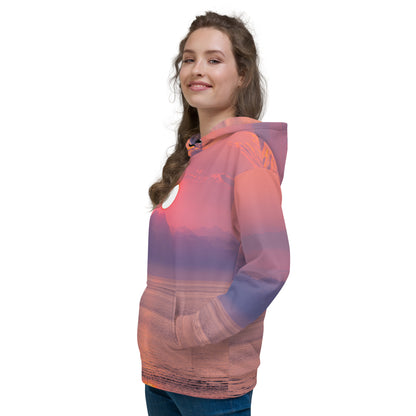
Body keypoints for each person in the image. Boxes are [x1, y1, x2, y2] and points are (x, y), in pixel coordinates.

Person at [137, 10, 290, 416]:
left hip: (212, 383)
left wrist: (197, 329)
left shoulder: (246, 152)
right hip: (161, 373)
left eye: (214, 59)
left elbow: (271, 267)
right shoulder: (192, 157)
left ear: (242, 75)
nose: (197, 69)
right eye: (189, 59)